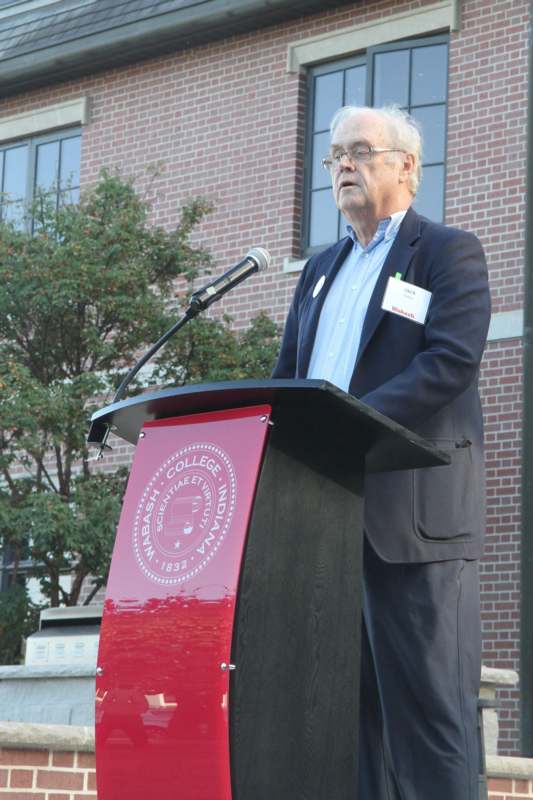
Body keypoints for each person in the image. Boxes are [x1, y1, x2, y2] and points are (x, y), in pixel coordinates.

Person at [272, 105, 491, 800]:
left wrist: (345, 427)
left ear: (407, 168)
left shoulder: (445, 253)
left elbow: (447, 364)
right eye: (334, 153)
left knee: (430, 717)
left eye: (361, 150)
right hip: (326, 522)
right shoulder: (318, 270)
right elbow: (287, 381)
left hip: (412, 523)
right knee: (349, 724)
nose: (342, 164)